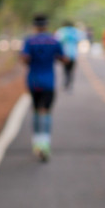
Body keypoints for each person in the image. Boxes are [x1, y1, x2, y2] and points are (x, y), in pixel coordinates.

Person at [21, 14, 67, 162]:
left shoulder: (29, 41)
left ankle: (36, 142)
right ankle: (45, 143)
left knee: (35, 109)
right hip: (48, 81)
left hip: (33, 81)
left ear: (35, 26)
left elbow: (24, 58)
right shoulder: (54, 41)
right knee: (46, 111)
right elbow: (63, 58)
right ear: (46, 25)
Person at [54, 21, 84, 91]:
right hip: (73, 53)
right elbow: (79, 40)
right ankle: (69, 83)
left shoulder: (61, 31)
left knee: (65, 69)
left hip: (64, 54)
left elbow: (57, 41)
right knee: (71, 70)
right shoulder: (76, 31)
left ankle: (66, 82)